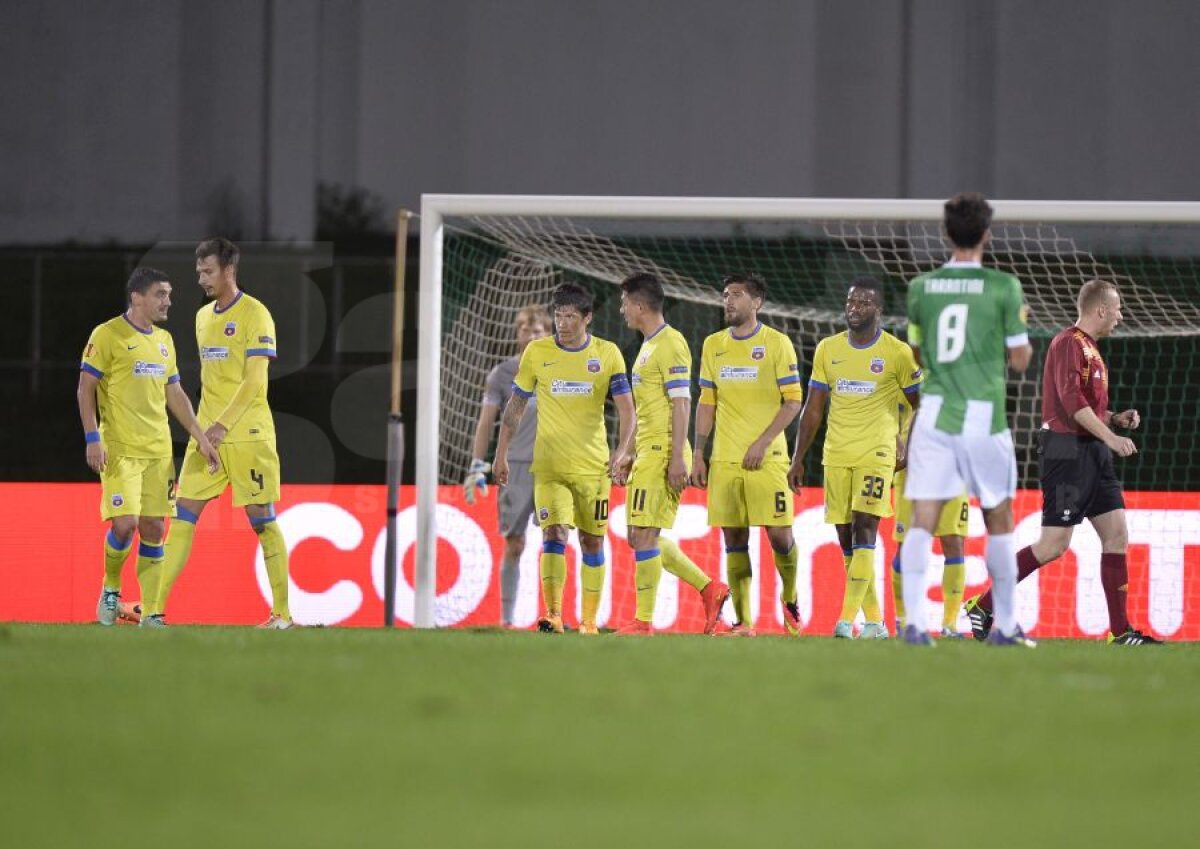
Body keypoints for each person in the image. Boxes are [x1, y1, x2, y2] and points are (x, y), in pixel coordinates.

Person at [964, 279, 1162, 645]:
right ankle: (983, 605)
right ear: (1100, 310)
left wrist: (1114, 419)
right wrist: (1112, 438)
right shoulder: (1068, 343)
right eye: (1117, 309)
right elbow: (1071, 405)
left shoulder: (1091, 349)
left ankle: (1121, 632)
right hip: (1066, 452)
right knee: (1053, 544)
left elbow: (1086, 408)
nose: (1120, 316)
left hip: (1093, 452)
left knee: (1117, 535)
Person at [899, 192, 1034, 647]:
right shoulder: (1003, 287)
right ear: (986, 235)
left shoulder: (921, 288)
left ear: (945, 233)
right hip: (983, 417)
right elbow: (1020, 359)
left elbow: (917, 353)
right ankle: (1006, 626)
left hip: (935, 414)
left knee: (923, 517)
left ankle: (914, 625)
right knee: (999, 516)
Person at [149, 238, 292, 628]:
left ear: (229, 270)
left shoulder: (256, 314)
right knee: (182, 515)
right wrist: (202, 430)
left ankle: (282, 614)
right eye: (198, 272)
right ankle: (154, 611)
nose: (201, 279)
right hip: (207, 438)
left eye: (208, 271)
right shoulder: (202, 317)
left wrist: (221, 425)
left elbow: (255, 380)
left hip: (247, 434)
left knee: (262, 520)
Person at [77, 267, 219, 627]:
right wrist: (93, 437)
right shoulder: (107, 334)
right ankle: (111, 588)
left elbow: (175, 393)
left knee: (154, 528)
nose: (168, 301)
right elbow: (85, 388)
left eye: (169, 294)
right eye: (160, 294)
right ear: (137, 297)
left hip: (158, 452)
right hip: (120, 449)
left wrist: (201, 437)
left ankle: (153, 613)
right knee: (125, 525)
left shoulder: (164, 340)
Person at [493, 282, 635, 635]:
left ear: (587, 318)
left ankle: (589, 621)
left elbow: (627, 409)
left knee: (592, 541)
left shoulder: (608, 354)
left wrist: (623, 449)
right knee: (553, 534)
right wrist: (500, 454)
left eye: (570, 317)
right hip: (549, 467)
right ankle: (554, 614)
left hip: (593, 469)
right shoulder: (538, 352)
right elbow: (516, 405)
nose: (562, 323)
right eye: (558, 316)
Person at [787, 277, 921, 639]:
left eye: (863, 303)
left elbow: (921, 403)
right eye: (850, 301)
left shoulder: (897, 352)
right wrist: (798, 458)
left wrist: (908, 444)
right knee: (846, 539)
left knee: (865, 528)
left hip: (877, 453)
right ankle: (875, 622)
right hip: (836, 454)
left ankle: (845, 621)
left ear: (878, 309)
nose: (854, 308)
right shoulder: (828, 349)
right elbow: (813, 409)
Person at [612, 273, 730, 635]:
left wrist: (678, 456)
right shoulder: (648, 346)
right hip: (647, 451)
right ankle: (710, 589)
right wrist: (628, 452)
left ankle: (643, 621)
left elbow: (681, 402)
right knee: (637, 537)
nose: (621, 309)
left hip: (663, 451)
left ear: (640, 306)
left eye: (625, 303)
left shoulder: (671, 343)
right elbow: (647, 409)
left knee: (644, 536)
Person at [692, 274, 804, 636]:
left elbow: (793, 401)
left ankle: (790, 596)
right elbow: (707, 401)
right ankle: (744, 622)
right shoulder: (713, 345)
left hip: (768, 459)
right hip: (725, 459)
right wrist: (698, 452)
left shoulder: (777, 343)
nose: (728, 300)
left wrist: (763, 441)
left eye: (737, 295)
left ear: (756, 302)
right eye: (725, 294)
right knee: (734, 540)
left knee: (780, 537)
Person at [462, 304, 551, 627]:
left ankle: (555, 616)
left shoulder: (560, 369)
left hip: (554, 466)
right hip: (514, 468)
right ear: (517, 334)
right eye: (525, 330)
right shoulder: (502, 374)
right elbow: (486, 422)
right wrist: (477, 463)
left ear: (548, 334)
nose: (530, 335)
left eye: (537, 330)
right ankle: (507, 620)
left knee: (555, 541)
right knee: (515, 543)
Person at [891, 400, 970, 638]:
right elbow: (883, 414)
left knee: (953, 541)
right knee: (906, 546)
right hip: (912, 470)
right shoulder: (901, 378)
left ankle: (950, 624)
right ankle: (903, 620)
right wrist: (899, 446)